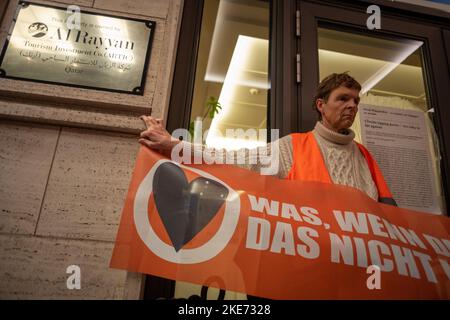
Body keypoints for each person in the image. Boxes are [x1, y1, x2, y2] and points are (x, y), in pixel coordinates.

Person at [139, 72, 396, 206]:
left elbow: (389, 216)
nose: (352, 105)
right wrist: (174, 145)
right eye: (343, 99)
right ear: (321, 105)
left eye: (356, 101)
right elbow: (233, 160)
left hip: (361, 275)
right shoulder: (293, 147)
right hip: (310, 272)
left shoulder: (365, 156)